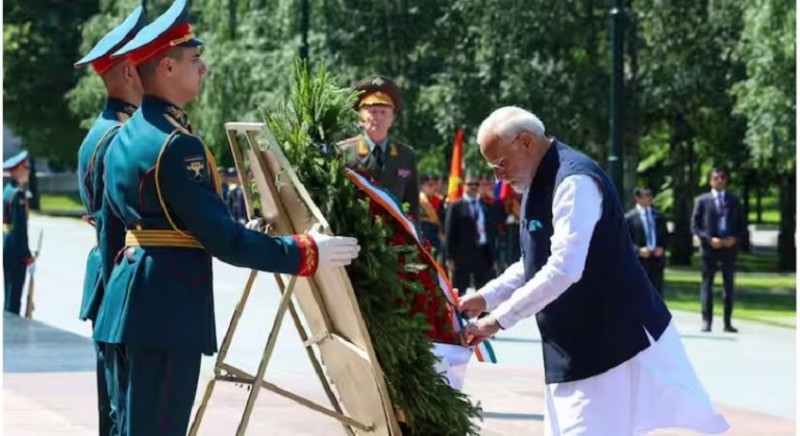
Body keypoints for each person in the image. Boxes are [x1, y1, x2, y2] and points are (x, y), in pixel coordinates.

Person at [92, 1, 361, 434]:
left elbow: (112, 233)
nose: (205, 68)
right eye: (194, 60)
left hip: (131, 306)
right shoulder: (176, 144)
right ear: (166, 68)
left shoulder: (125, 137)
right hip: (167, 309)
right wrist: (305, 251)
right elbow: (224, 243)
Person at [460, 107, 728, 435]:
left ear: (526, 142)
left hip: (611, 342)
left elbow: (562, 269)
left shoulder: (574, 181)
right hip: (576, 345)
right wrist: (485, 297)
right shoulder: (536, 181)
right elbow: (532, 261)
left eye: (500, 163)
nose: (497, 176)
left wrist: (499, 319)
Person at [337, 75, 420, 219]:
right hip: (355, 235)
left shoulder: (406, 156)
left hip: (395, 236)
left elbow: (412, 206)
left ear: (392, 118)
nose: (378, 117)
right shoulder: (343, 152)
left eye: (383, 112)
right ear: (360, 117)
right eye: (372, 111)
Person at [691, 168, 745, 333]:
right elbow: (695, 224)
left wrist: (734, 238)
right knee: (707, 284)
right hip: (710, 249)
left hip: (729, 248)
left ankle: (727, 322)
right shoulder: (702, 200)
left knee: (728, 285)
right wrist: (708, 239)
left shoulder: (734, 200)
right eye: (716, 178)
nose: (719, 181)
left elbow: (742, 224)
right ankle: (707, 321)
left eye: (722, 178)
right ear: (711, 181)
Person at [445, 173, 496, 296]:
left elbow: (492, 229)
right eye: (470, 184)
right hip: (463, 254)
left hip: (483, 252)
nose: (473, 187)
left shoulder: (486, 205)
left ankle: (482, 314)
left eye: (476, 184)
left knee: (484, 289)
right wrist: (449, 256)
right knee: (460, 289)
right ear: (463, 186)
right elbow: (449, 232)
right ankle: (459, 314)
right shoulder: (455, 206)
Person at [3, 151, 34, 315]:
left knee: (9, 292)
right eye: (26, 168)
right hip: (15, 250)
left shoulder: (7, 190)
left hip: (6, 246)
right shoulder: (18, 195)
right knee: (14, 296)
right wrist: (27, 255)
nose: (28, 172)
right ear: (17, 171)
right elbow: (20, 229)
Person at [625, 187, 668, 296]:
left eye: (650, 195)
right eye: (646, 196)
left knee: (657, 292)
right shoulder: (629, 218)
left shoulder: (658, 216)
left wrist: (662, 248)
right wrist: (638, 250)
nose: (649, 198)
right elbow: (624, 240)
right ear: (638, 198)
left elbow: (665, 236)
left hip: (656, 260)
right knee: (639, 293)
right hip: (639, 261)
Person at [419, 174, 444, 258]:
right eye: (430, 185)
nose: (434, 187)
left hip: (436, 238)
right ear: (421, 186)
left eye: (435, 184)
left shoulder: (440, 201)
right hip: (422, 236)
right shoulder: (419, 200)